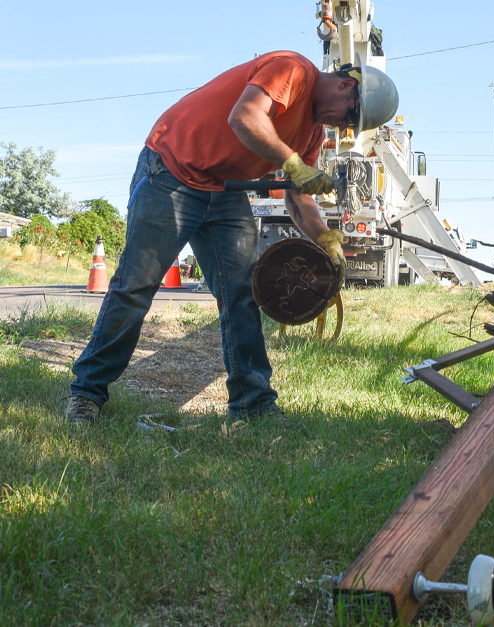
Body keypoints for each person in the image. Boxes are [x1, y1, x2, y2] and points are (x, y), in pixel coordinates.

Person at [65, 51, 399, 424]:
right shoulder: (293, 70)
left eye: (352, 126)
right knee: (135, 287)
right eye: (352, 115)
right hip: (171, 171)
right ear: (346, 85)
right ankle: (86, 394)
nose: (345, 126)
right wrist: (293, 164)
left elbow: (296, 194)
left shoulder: (313, 133)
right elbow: (244, 117)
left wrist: (324, 236)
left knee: (242, 293)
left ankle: (253, 405)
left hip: (223, 191)